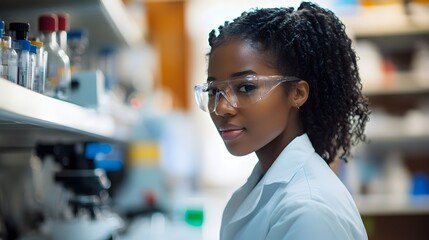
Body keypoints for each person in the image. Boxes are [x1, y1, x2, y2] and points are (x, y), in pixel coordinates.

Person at [193, 1, 370, 240]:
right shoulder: (259, 188)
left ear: (297, 94)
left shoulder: (309, 211)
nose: (222, 107)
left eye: (245, 87)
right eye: (214, 91)